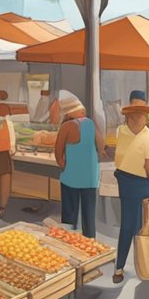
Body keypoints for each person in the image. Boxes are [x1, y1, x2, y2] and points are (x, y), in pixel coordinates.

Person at [113, 92, 149, 284]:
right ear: (129, 114)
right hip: (125, 183)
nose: (138, 117)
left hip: (142, 185)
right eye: (135, 113)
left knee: (143, 229)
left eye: (142, 113)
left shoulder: (148, 136)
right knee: (127, 227)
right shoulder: (120, 131)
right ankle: (119, 267)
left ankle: (144, 266)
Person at [55, 98, 102, 238]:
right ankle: (90, 241)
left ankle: (68, 240)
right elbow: (100, 147)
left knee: (69, 213)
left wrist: (65, 167)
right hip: (90, 178)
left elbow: (58, 154)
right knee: (89, 213)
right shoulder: (92, 125)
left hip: (71, 177)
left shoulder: (67, 127)